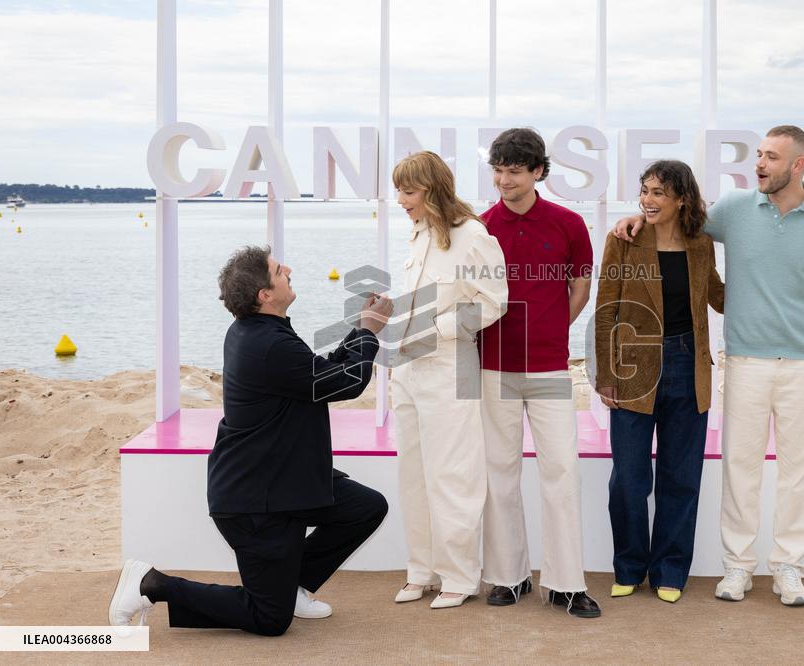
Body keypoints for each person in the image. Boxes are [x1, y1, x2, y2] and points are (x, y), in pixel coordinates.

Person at [612, 125, 804, 606]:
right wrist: (635, 217)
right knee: (739, 469)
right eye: (759, 155)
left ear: (798, 164)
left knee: (798, 472)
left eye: (770, 157)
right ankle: (738, 568)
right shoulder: (735, 209)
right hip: (743, 360)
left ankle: (788, 567)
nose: (760, 164)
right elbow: (676, 221)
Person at [108, 245, 393, 635]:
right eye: (279, 270)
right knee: (269, 619)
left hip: (285, 480)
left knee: (365, 507)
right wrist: (368, 332)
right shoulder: (269, 343)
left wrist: (358, 331)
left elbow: (318, 374)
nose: (288, 269)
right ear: (265, 295)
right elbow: (345, 382)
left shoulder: (259, 333)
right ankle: (152, 584)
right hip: (257, 499)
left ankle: (291, 584)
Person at [479, 127, 601, 618]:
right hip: (490, 366)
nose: (504, 180)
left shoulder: (569, 223)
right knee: (499, 474)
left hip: (550, 364)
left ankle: (567, 584)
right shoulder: (481, 226)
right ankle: (509, 577)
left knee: (562, 471)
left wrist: (552, 327)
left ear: (538, 172)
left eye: (514, 171)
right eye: (498, 170)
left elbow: (581, 288)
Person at [595, 160, 724, 604]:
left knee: (681, 476)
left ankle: (671, 570)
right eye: (644, 191)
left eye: (658, 193)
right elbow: (606, 309)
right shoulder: (625, 241)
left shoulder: (701, 243)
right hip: (634, 366)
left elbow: (719, 296)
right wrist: (605, 374)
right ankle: (629, 566)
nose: (647, 200)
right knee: (628, 479)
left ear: (681, 199)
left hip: (690, 365)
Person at [389, 151, 508, 609]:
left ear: (433, 190)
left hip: (451, 364)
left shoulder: (474, 236)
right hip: (407, 367)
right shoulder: (418, 234)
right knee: (414, 473)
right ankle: (422, 571)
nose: (401, 200)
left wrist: (432, 329)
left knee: (452, 473)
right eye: (399, 190)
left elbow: (494, 302)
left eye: (408, 191)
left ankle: (459, 576)